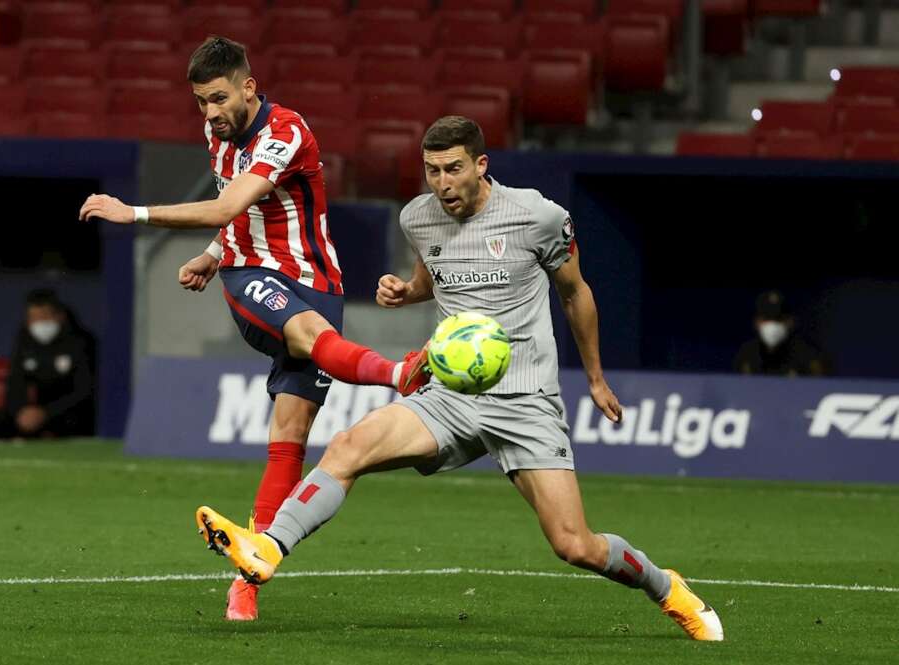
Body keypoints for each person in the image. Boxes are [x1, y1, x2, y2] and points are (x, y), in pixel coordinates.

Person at [194, 116, 725, 641]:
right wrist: (409, 290)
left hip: (525, 400)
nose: (443, 183)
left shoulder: (538, 215)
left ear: (480, 165)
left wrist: (595, 377)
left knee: (574, 545)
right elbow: (436, 271)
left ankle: (667, 587)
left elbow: (574, 292)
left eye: (453, 169)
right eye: (432, 171)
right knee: (349, 445)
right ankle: (267, 550)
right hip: (450, 394)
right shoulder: (418, 218)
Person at [79, 37, 429, 621]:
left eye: (217, 98)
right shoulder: (219, 137)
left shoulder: (285, 132)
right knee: (303, 331)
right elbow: (232, 212)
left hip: (317, 281)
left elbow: (224, 207)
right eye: (199, 103)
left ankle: (250, 576)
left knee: (289, 433)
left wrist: (133, 212)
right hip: (250, 281)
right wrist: (219, 255)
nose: (210, 113)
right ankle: (398, 372)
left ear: (248, 86)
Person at [0, 289, 95, 439]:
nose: (39, 323)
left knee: (71, 423)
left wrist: (46, 413)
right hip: (35, 409)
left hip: (68, 411)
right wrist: (21, 411)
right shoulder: (24, 339)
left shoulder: (81, 342)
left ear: (59, 316)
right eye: (33, 318)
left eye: (44, 316)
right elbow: (15, 382)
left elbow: (83, 390)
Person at [734, 290, 827, 376]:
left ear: (790, 322)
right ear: (757, 322)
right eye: (767, 319)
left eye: (778, 319)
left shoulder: (808, 355)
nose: (772, 325)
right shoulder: (746, 354)